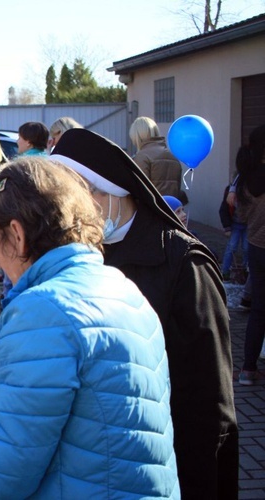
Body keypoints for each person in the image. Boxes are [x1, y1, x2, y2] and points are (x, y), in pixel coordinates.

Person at [0, 157, 179, 499]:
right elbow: (99, 411)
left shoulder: (40, 310)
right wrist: (2, 408)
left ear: (17, 234)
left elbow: (2, 477)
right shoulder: (119, 285)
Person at [52, 128, 238, 500]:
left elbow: (210, 398)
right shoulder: (85, 252)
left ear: (110, 191)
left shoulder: (185, 263)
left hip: (175, 454)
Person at [235, 124, 265, 386]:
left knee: (258, 310)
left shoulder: (245, 180)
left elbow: (241, 217)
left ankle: (247, 370)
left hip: (256, 248)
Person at [129, 116, 183, 199]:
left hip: (150, 210)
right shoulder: (173, 157)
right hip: (171, 209)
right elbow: (177, 190)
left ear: (136, 136)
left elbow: (140, 191)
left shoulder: (141, 157)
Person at [219, 179, 248, 282]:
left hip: (247, 224)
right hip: (235, 224)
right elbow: (223, 210)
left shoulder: (251, 191)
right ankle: (225, 271)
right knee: (231, 247)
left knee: (246, 248)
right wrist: (227, 227)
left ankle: (246, 270)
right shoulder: (230, 192)